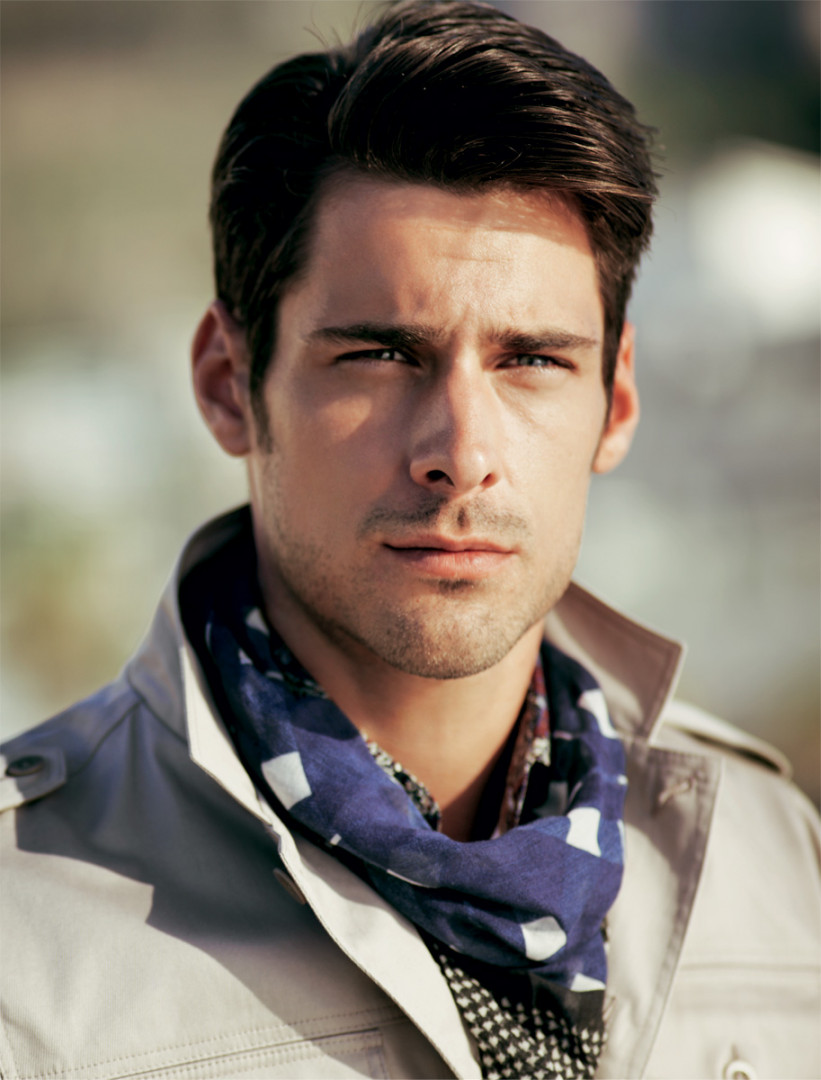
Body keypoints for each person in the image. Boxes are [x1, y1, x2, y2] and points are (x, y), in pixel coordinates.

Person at [2, 3, 818, 1078]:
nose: (460, 453)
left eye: (531, 361)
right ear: (227, 384)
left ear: (615, 403)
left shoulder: (767, 858)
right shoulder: (25, 932)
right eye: (382, 356)